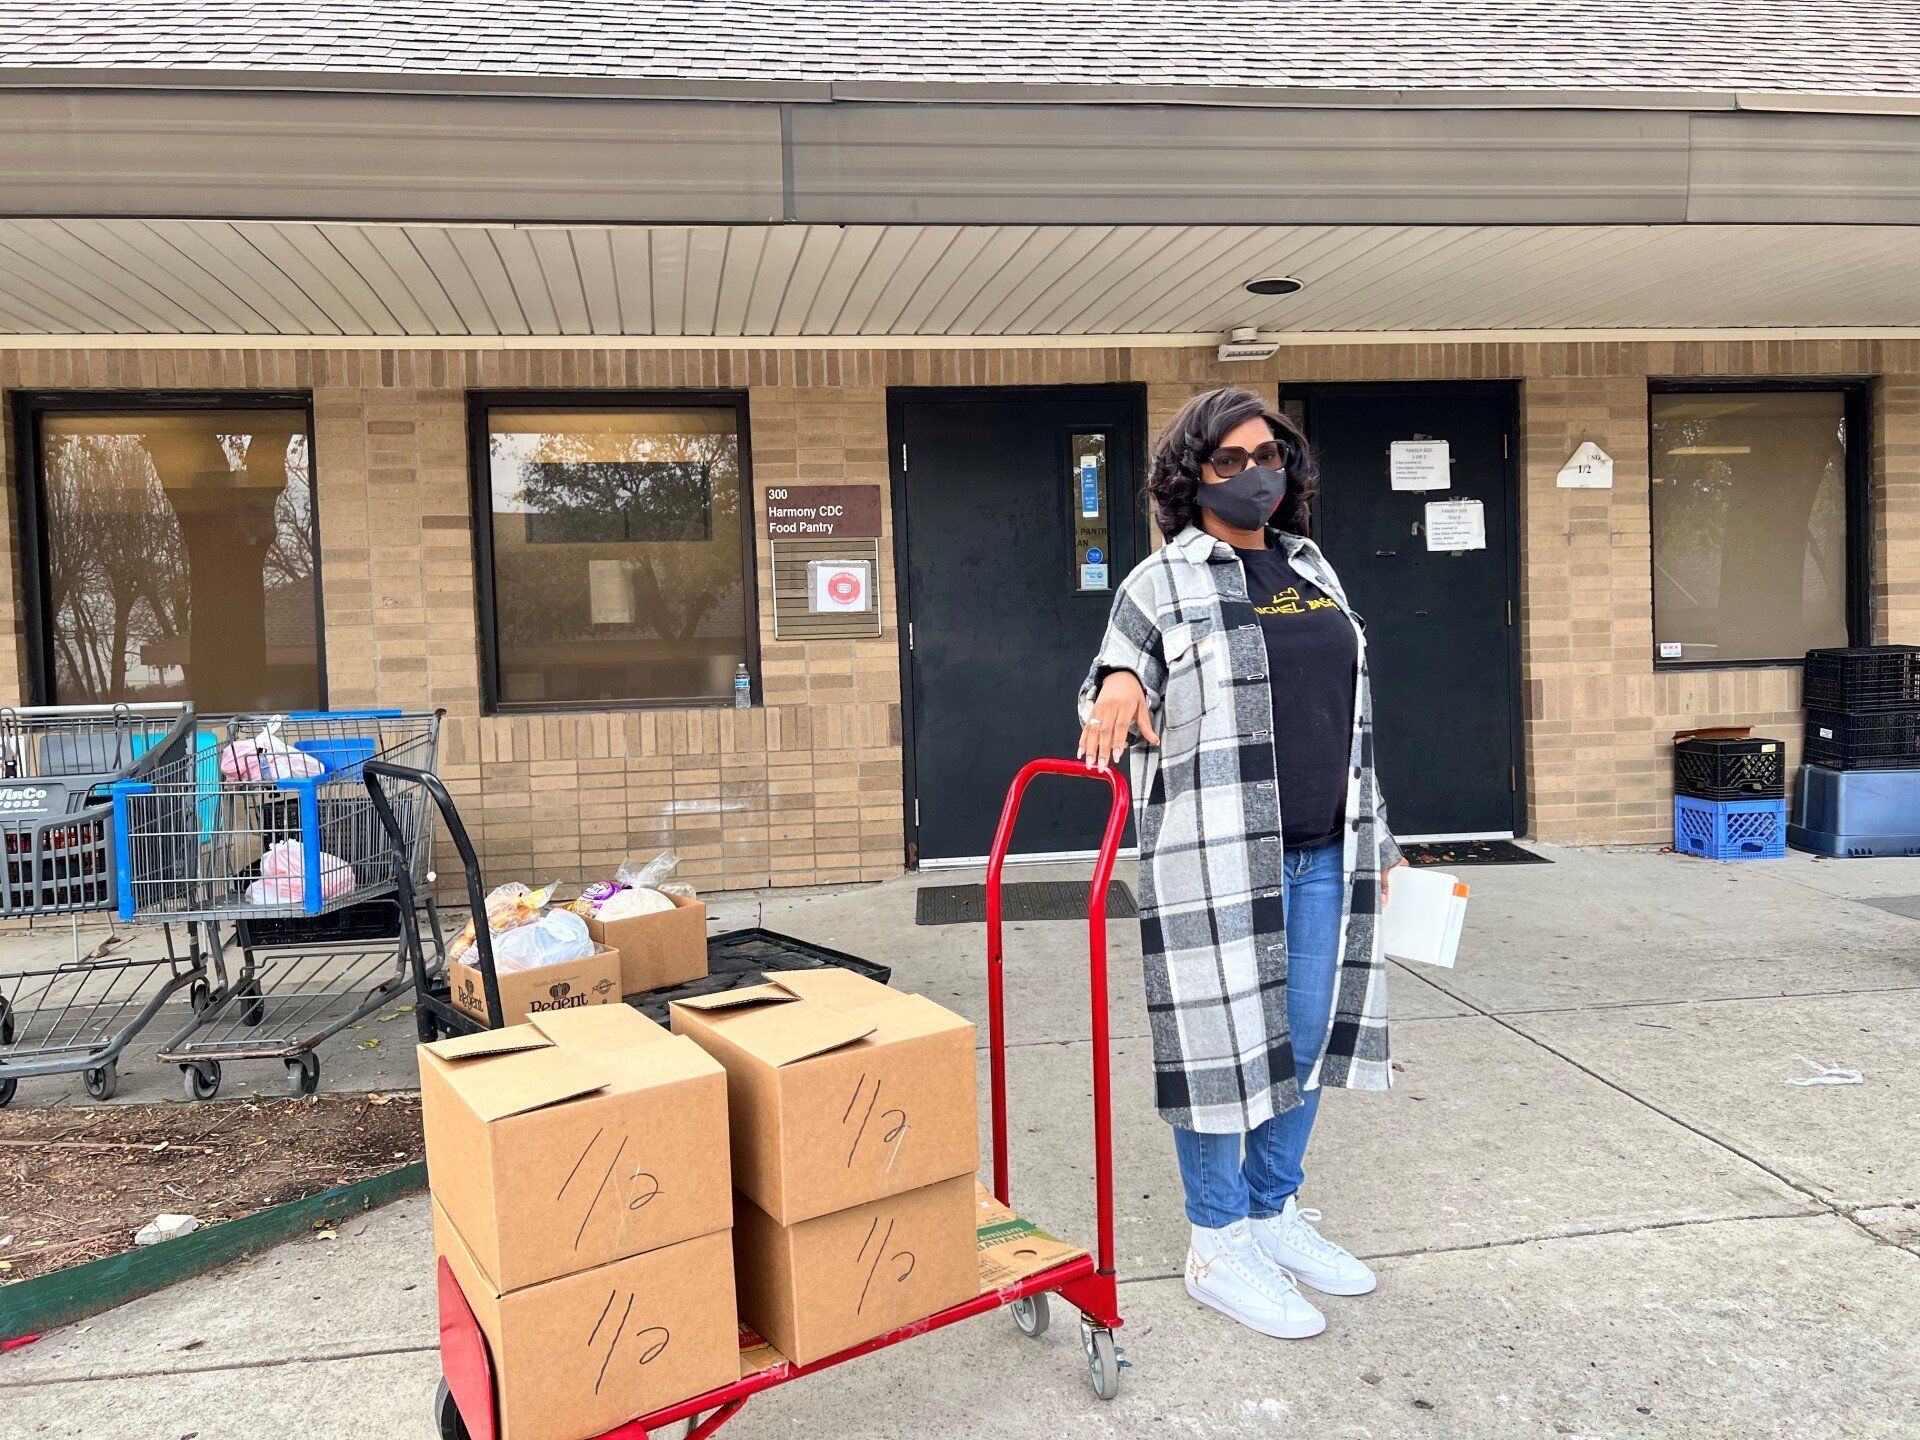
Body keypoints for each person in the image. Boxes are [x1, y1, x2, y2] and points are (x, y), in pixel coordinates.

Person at [1077, 386, 1405, 1340]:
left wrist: (1376, 837)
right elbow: (1105, 691)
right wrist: (1125, 676)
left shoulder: (1316, 569)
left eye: (1270, 455)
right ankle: (1216, 1240)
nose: (1257, 472)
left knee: (1303, 1042)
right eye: (1231, 459)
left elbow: (1353, 723)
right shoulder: (1160, 581)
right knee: (1222, 1054)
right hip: (1216, 862)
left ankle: (1271, 1211)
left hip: (1324, 855)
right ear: (1193, 476)